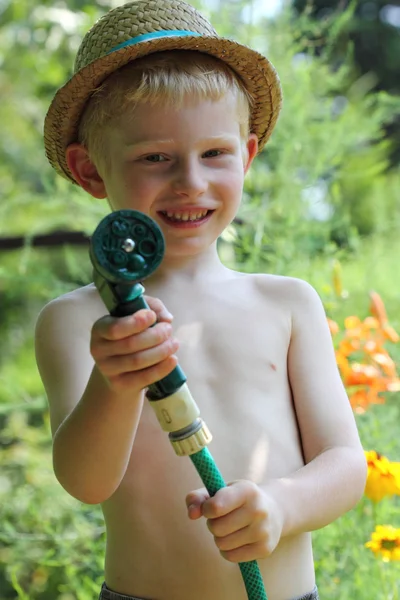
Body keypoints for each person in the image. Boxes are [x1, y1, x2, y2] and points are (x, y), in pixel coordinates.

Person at [35, 1, 367, 599]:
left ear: (247, 154)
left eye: (214, 153)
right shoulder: (75, 320)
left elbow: (345, 463)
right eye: (155, 158)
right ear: (91, 171)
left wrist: (282, 506)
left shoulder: (287, 304)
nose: (190, 181)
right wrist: (114, 384)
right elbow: (86, 482)